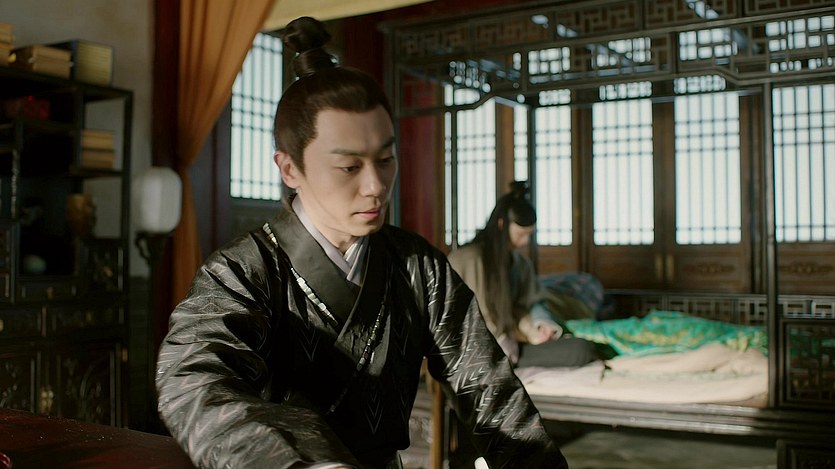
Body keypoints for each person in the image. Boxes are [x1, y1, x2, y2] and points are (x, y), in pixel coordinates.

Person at [155, 17, 567, 469]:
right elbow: (195, 380)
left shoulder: (419, 267)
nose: (376, 186)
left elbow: (490, 390)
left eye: (386, 159)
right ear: (289, 169)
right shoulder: (241, 272)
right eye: (349, 167)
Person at [448, 182, 599, 369]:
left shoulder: (521, 264)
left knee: (581, 348)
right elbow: (455, 315)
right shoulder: (467, 259)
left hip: (513, 342)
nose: (525, 241)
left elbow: (529, 306)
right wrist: (497, 338)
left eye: (529, 235)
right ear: (501, 225)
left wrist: (539, 327)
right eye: (521, 234)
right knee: (580, 352)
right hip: (475, 347)